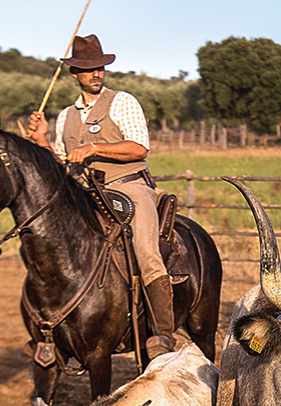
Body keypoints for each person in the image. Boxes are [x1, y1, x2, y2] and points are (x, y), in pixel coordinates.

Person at [27, 34, 175, 359]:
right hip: (82, 192)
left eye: (100, 68)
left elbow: (139, 147)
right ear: (75, 74)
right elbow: (62, 161)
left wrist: (95, 148)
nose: (96, 74)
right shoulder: (66, 115)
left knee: (146, 251)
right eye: (88, 69)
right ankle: (52, 327)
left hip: (128, 186)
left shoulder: (122, 102)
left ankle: (163, 333)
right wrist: (41, 142)